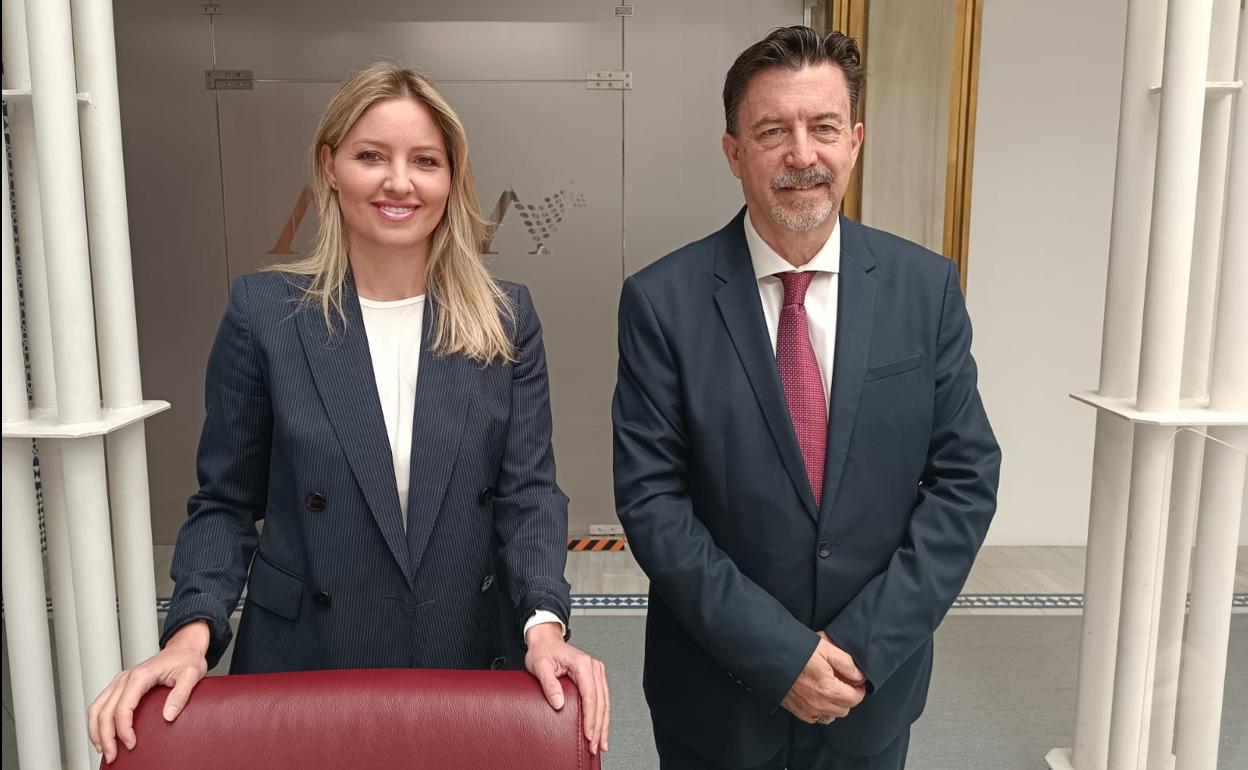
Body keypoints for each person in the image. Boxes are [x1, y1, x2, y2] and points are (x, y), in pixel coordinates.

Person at [88, 62, 609, 764]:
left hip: (460, 656)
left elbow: (528, 495)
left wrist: (544, 625)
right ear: (329, 166)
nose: (400, 182)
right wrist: (190, 635)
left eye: (425, 161)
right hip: (304, 663)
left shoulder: (504, 318)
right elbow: (224, 504)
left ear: (451, 179)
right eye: (371, 156)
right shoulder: (264, 316)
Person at [612, 26, 1001, 770]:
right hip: (717, 701)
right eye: (772, 131)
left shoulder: (925, 291)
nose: (802, 155)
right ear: (734, 152)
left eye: (823, 127)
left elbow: (966, 480)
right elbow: (653, 504)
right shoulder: (662, 302)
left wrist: (860, 648)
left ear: (853, 140)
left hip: (869, 693)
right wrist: (780, 656)